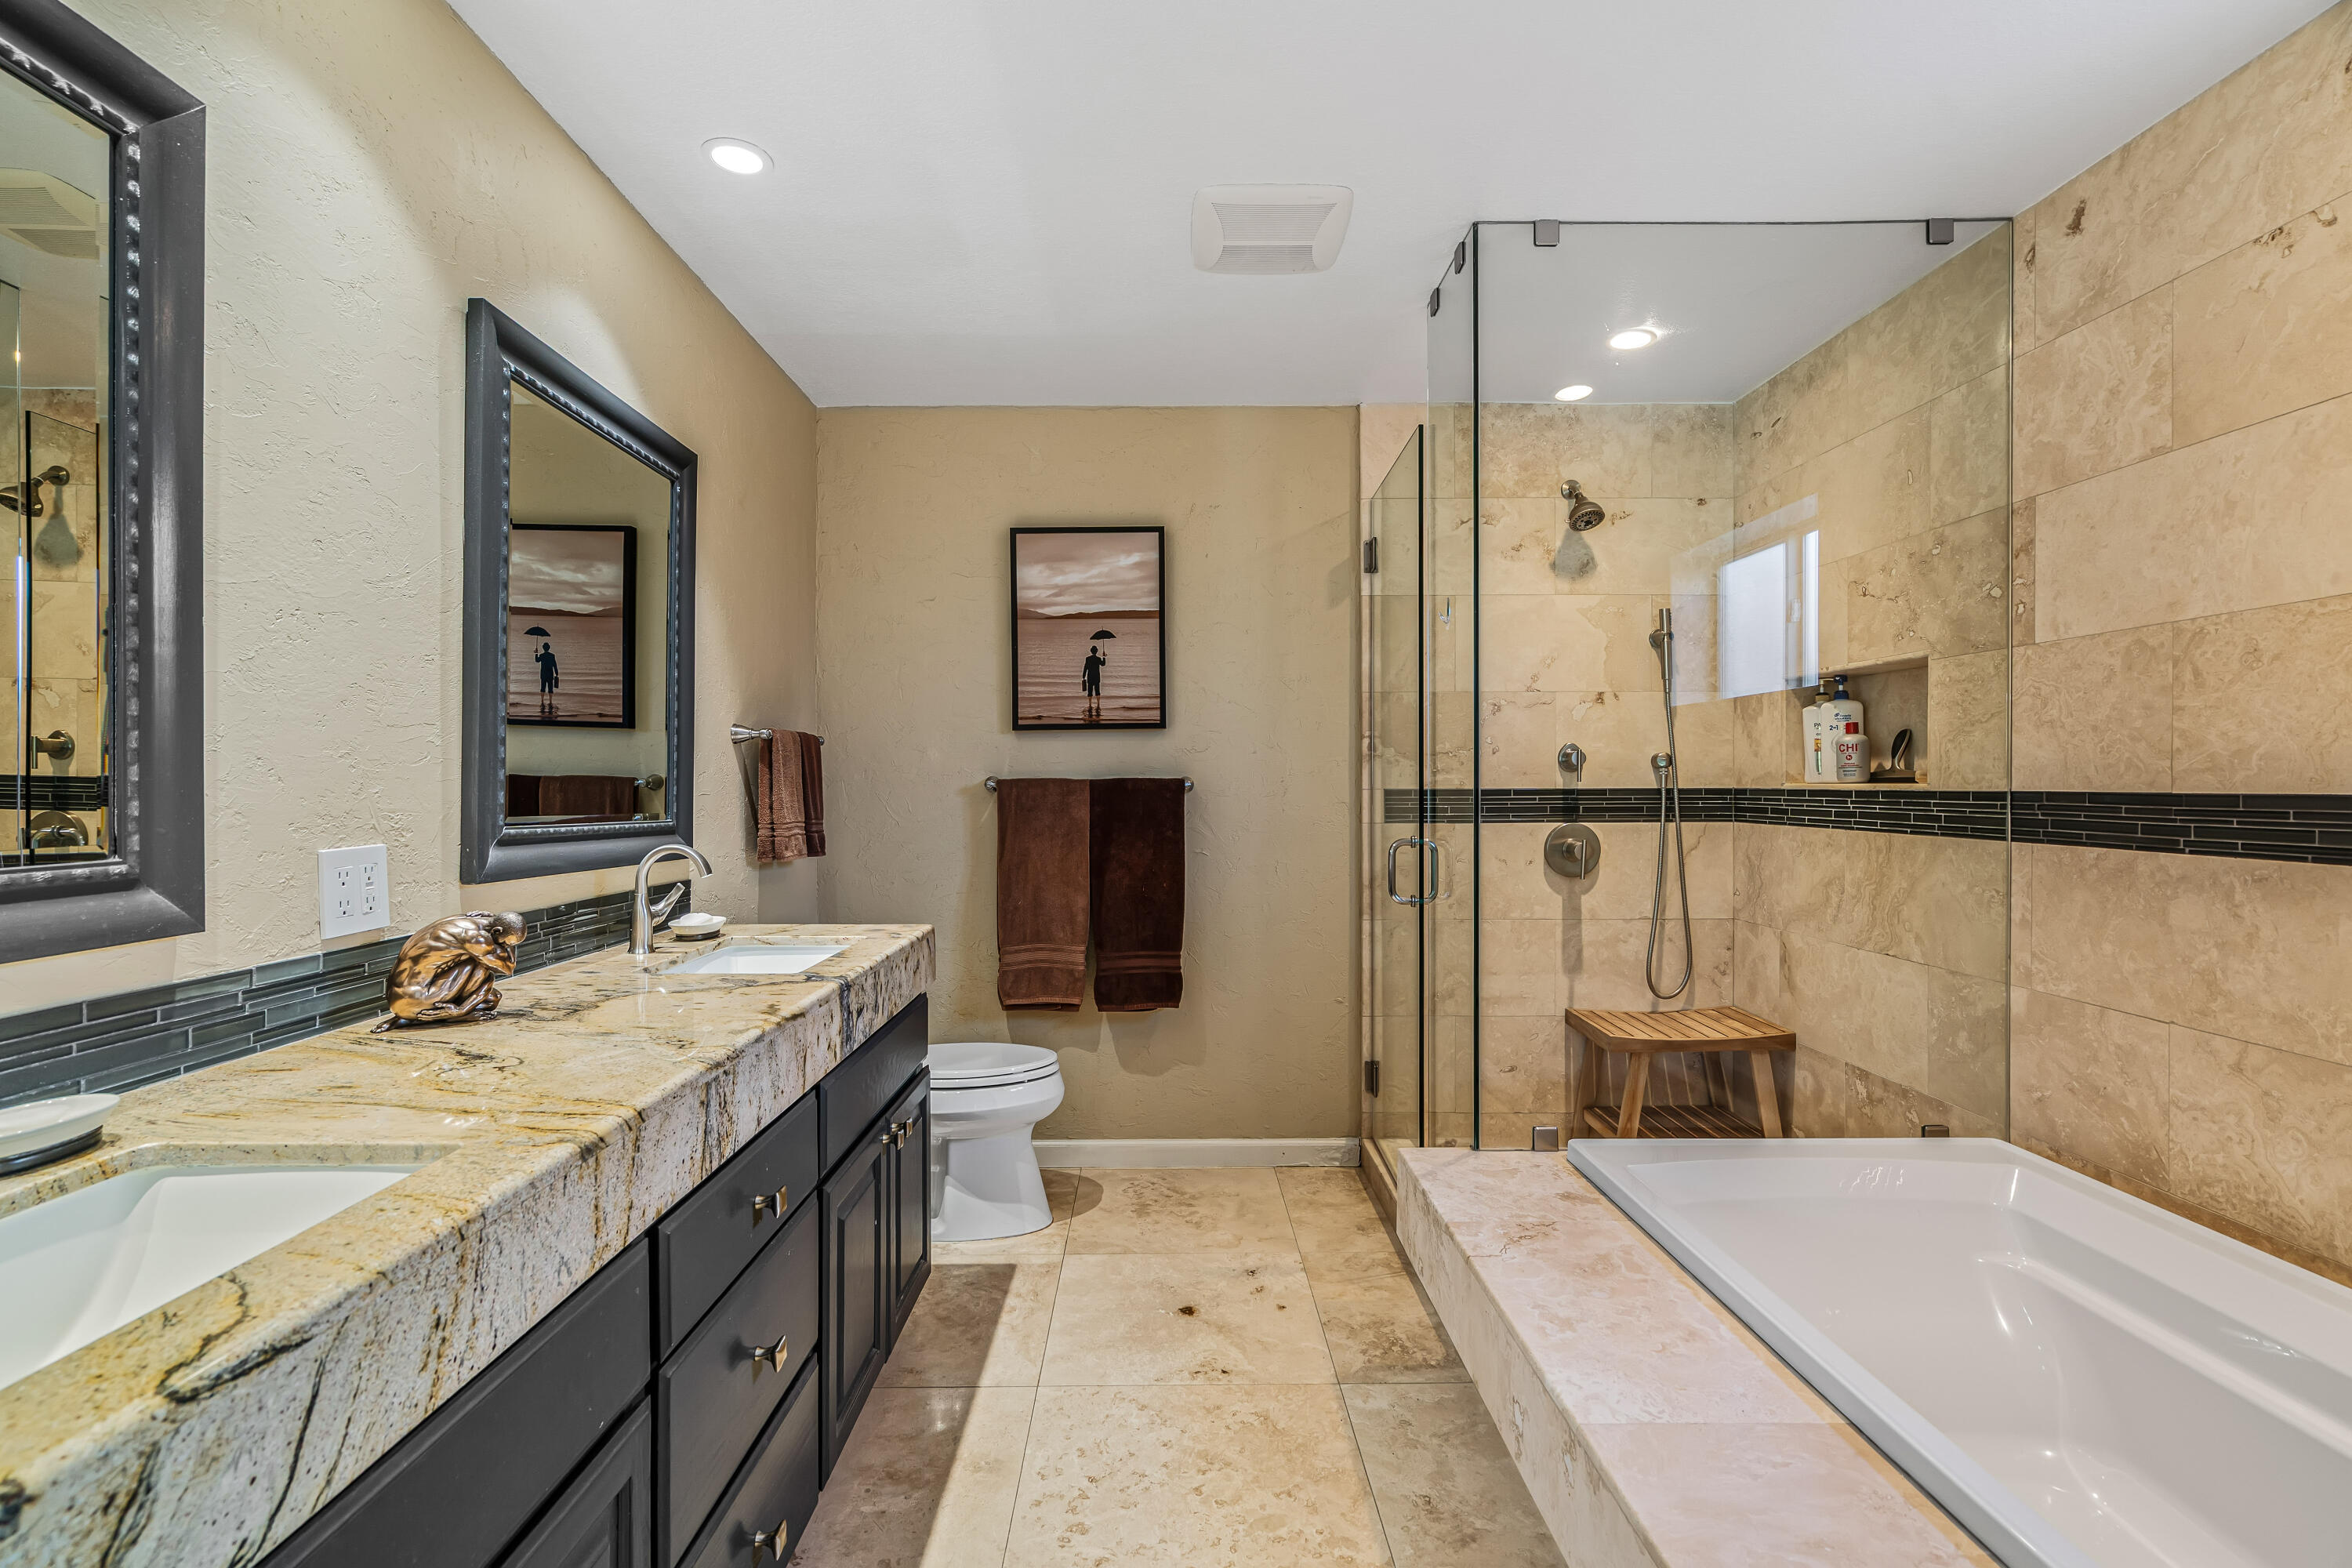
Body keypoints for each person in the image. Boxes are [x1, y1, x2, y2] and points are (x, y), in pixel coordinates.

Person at [1080, 643, 1105, 716]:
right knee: (1097, 691)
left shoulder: (1088, 659)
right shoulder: (1098, 659)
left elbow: (1086, 668)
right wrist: (1104, 657)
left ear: (1091, 651)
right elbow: (1103, 664)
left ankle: (1090, 705)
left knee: (1090, 691)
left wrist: (1083, 676)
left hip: (1090, 677)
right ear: (1096, 651)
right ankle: (1098, 705)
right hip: (1097, 677)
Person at [536, 639, 560, 713]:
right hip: (550, 674)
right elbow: (555, 665)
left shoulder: (542, 655)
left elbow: (537, 660)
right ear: (549, 648)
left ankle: (542, 701)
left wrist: (536, 653)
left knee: (543, 688)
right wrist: (557, 673)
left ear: (543, 648)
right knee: (550, 688)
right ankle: (550, 701)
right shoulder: (552, 656)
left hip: (543, 674)